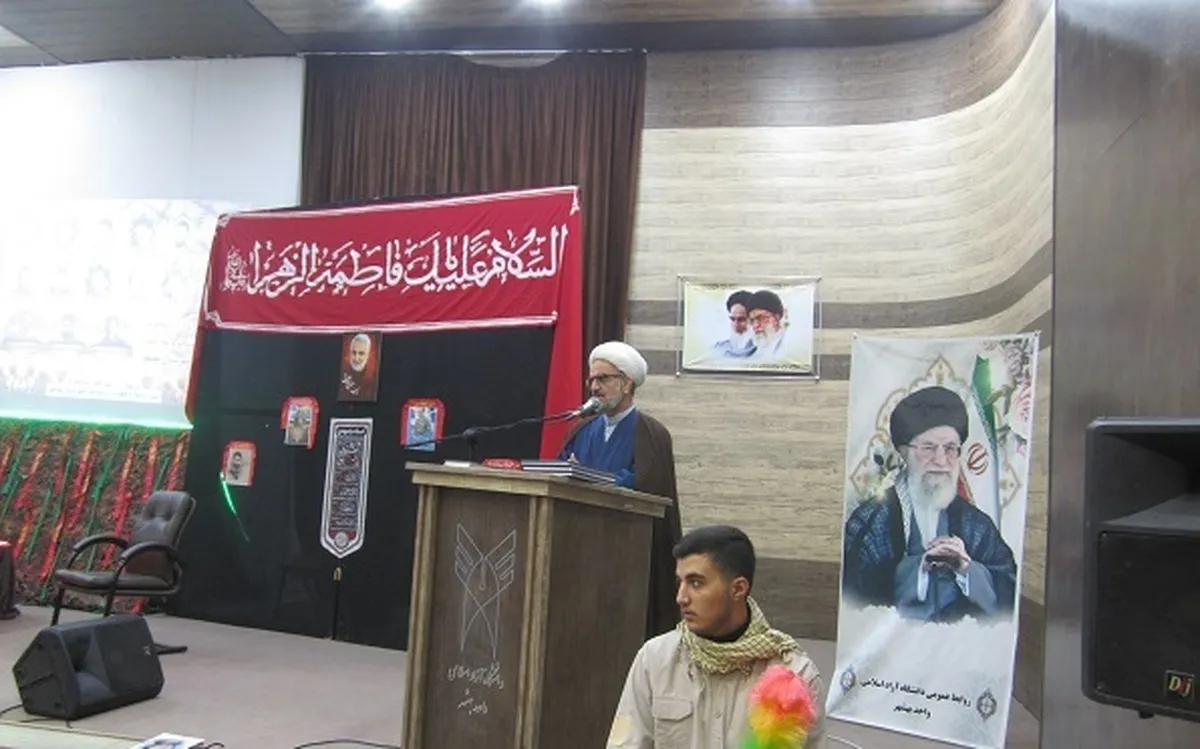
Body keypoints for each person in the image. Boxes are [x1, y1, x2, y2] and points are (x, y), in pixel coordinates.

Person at [607, 525, 826, 749]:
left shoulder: (794, 674)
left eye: (696, 583)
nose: (681, 597)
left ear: (738, 589)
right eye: (680, 582)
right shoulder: (655, 660)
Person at [841, 385, 1018, 622]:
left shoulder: (977, 524)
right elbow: (853, 600)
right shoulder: (869, 521)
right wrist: (919, 570)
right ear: (904, 452)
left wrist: (967, 570)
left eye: (950, 448)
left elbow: (1008, 596)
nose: (941, 461)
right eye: (929, 448)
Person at [559, 340, 681, 638]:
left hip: (626, 549)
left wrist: (592, 478)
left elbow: (646, 484)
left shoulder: (651, 434)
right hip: (578, 545)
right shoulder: (581, 430)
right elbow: (559, 471)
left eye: (603, 379)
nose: (594, 387)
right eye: (591, 380)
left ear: (627, 384)